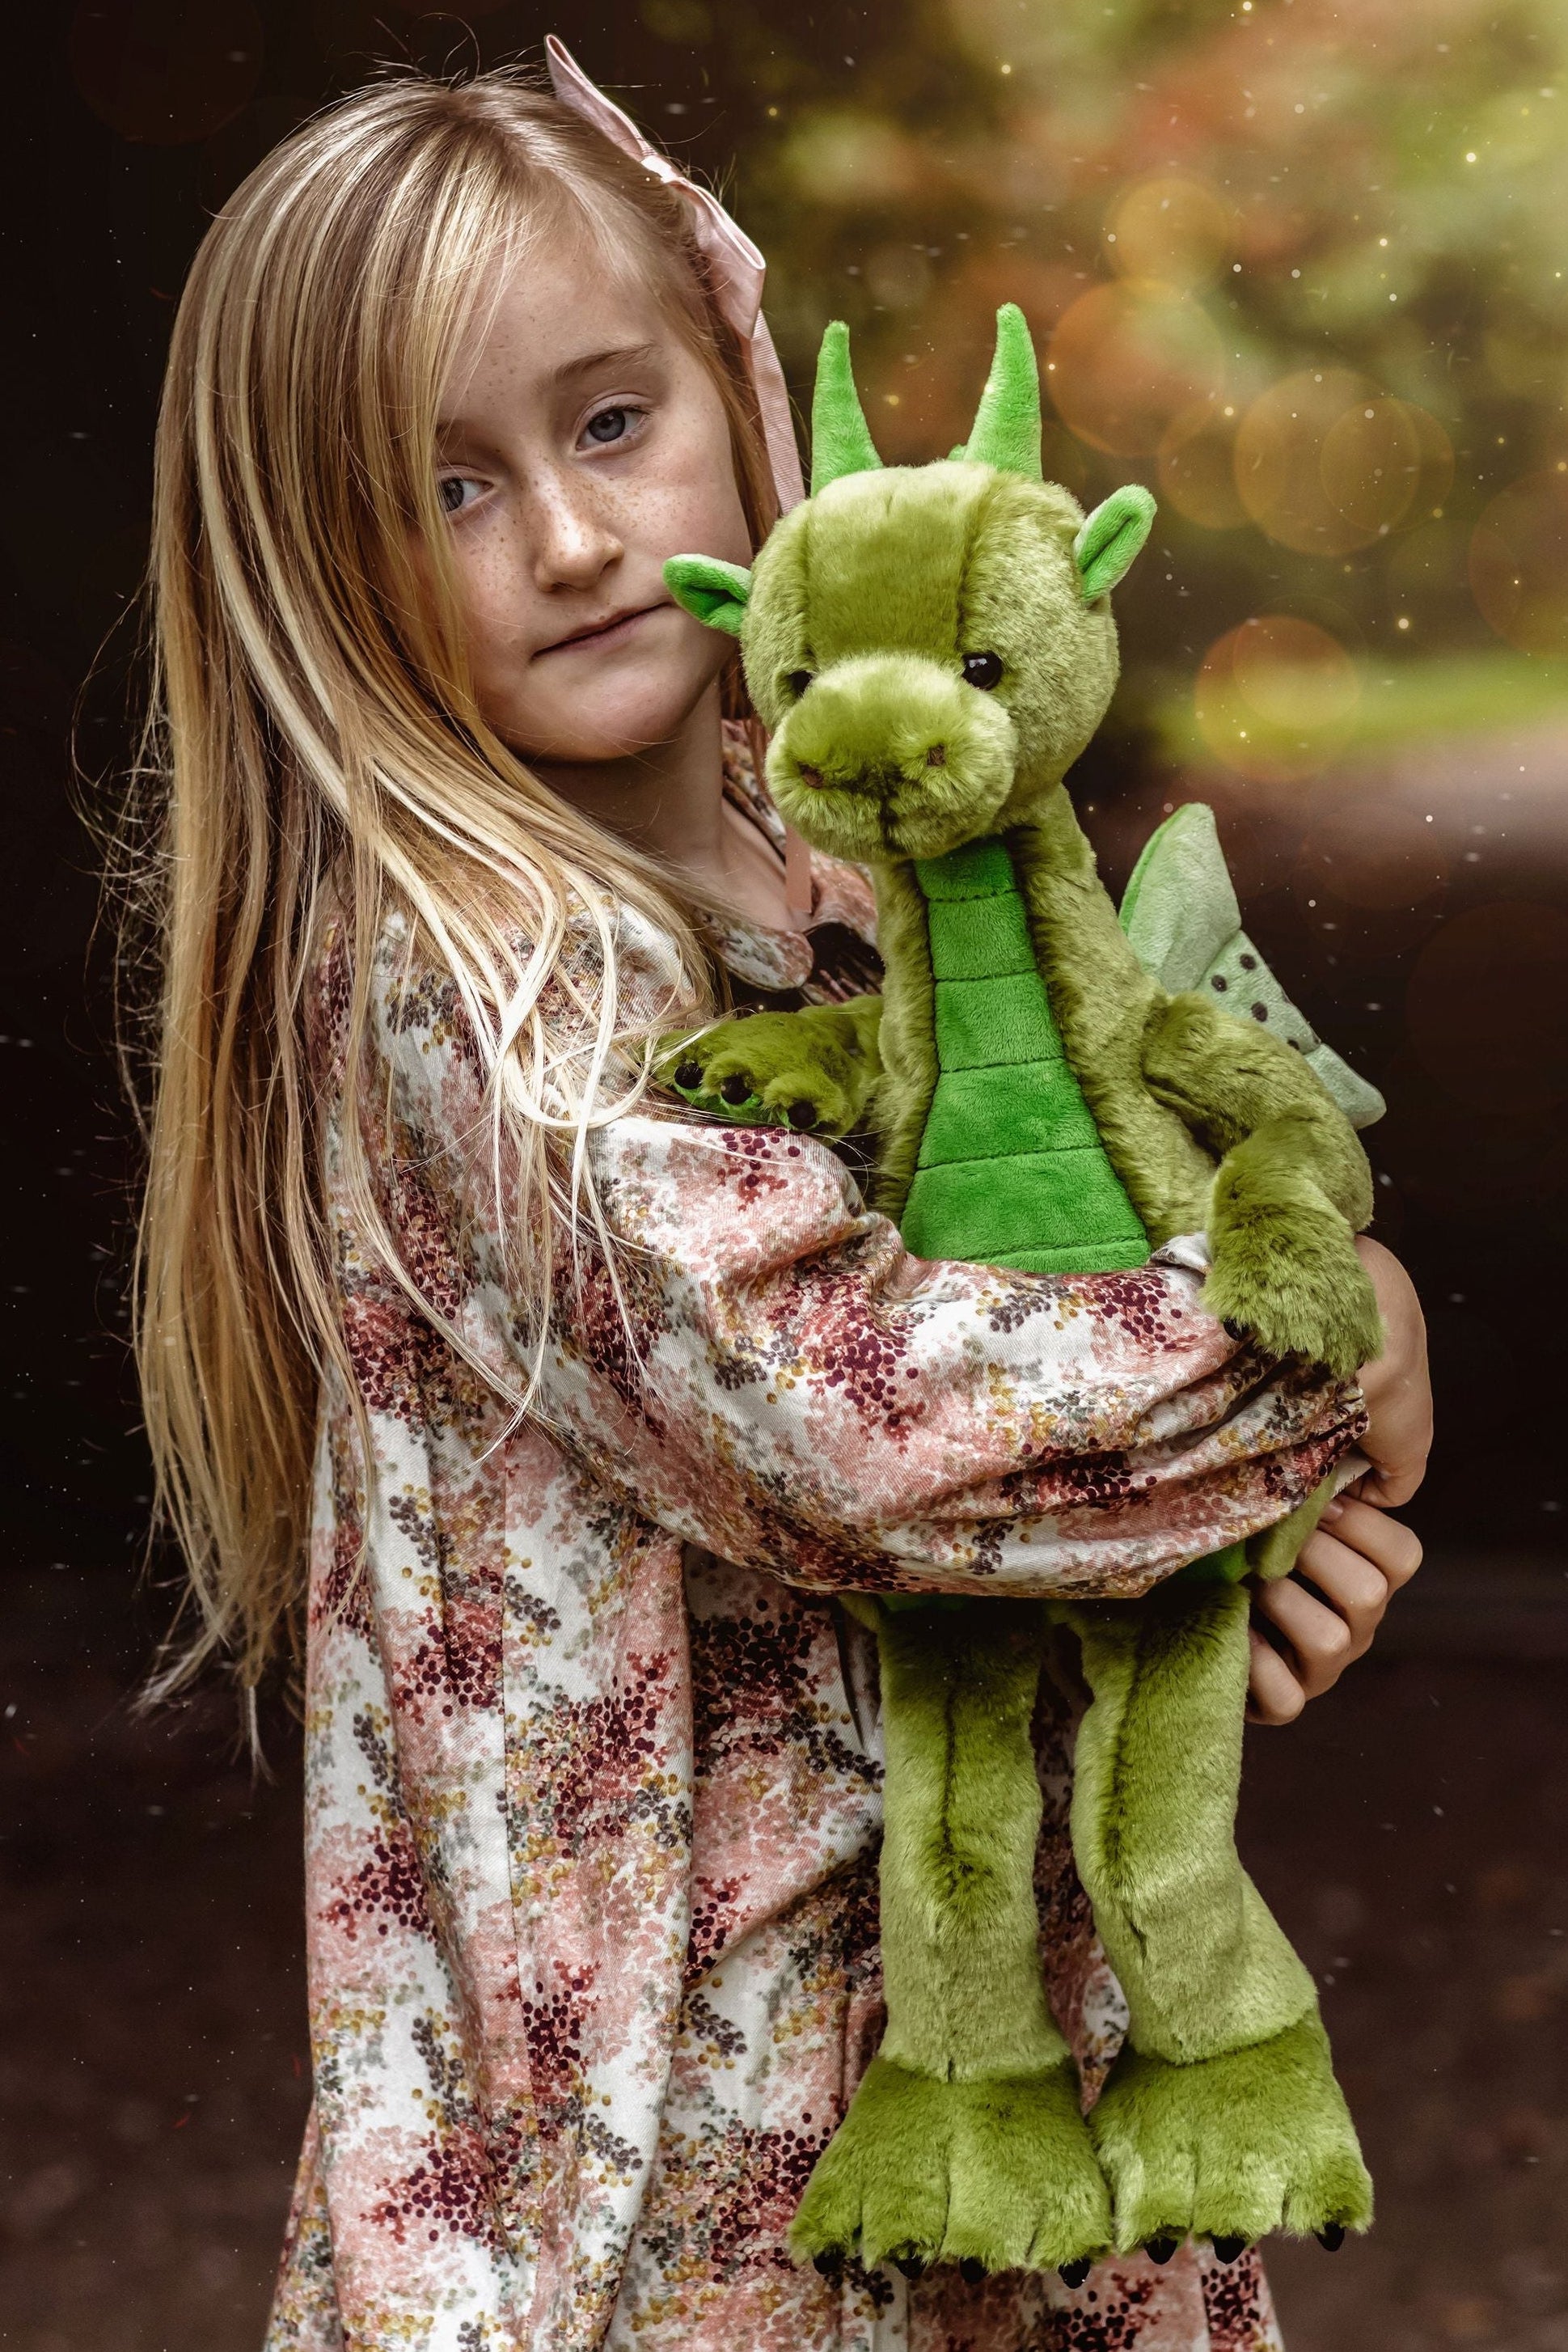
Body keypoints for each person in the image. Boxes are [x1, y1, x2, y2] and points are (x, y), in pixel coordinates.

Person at [121, 55, 1430, 2352]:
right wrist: (1321, 1353)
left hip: (970, 2051)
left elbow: (1048, 1309)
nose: (567, 536)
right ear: (328, 572)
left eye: (611, 421)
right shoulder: (475, 987)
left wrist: (1207, 1573)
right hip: (660, 2179)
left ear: (733, 394)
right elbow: (865, 1427)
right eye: (450, 486)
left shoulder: (868, 882)